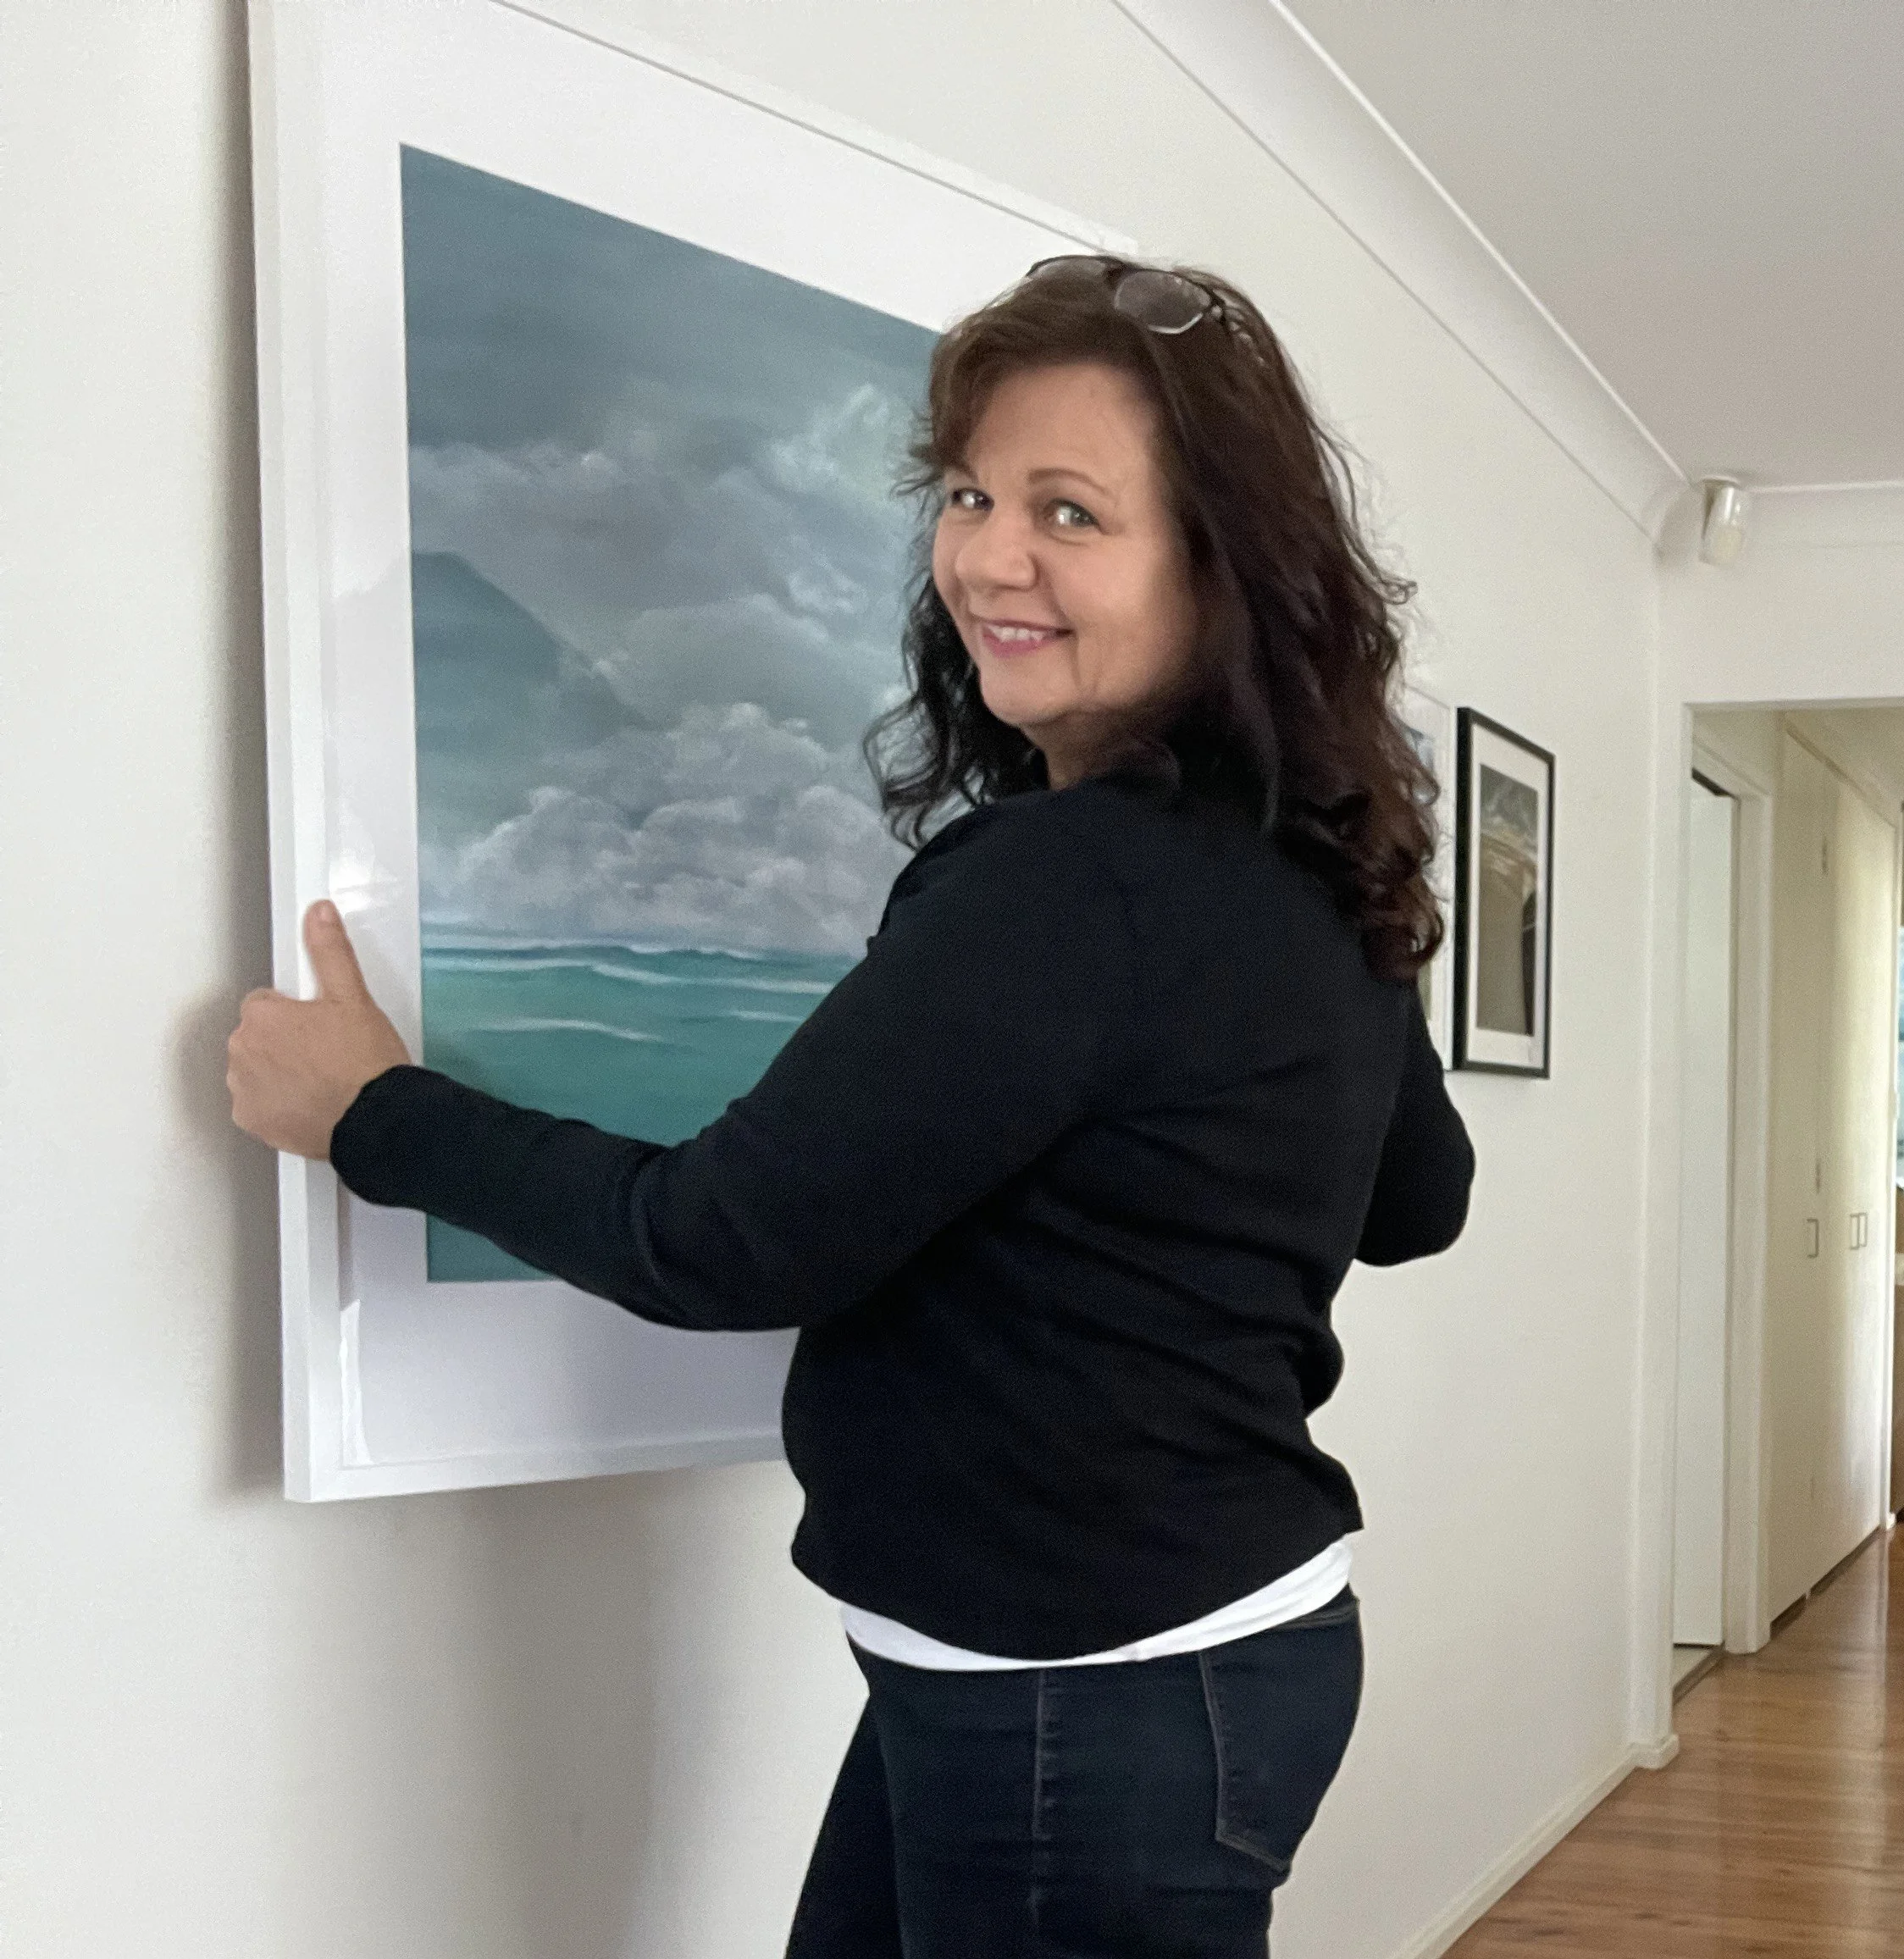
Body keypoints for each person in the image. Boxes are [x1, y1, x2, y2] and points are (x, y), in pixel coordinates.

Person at [229, 254, 1475, 1957]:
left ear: (1219, 564)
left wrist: (367, 1110)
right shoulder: (1299, 865)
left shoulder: (1070, 884)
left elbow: (719, 1241)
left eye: (1068, 510)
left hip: (1083, 1694)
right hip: (1168, 1657)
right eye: (967, 492)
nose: (986, 554)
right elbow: (1415, 1196)